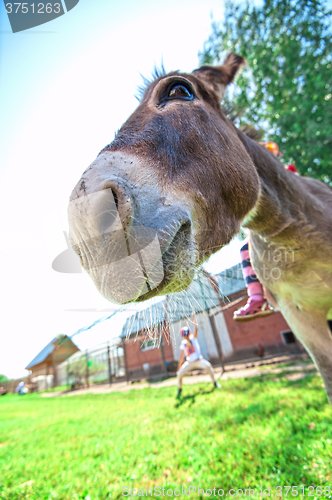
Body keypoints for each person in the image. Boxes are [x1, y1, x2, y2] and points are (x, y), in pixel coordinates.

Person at [233, 141, 298, 322]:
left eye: (271, 151)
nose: (270, 154)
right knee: (246, 249)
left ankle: (257, 299)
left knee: (246, 249)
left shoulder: (285, 171)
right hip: (275, 223)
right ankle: (257, 298)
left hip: (291, 218)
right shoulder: (257, 177)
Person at [176, 314, 220, 398]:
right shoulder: (183, 344)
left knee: (208, 367)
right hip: (189, 362)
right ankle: (180, 389)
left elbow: (196, 328)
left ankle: (215, 382)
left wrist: (193, 319)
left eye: (187, 335)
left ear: (189, 334)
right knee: (179, 374)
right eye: (185, 336)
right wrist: (179, 366)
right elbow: (181, 356)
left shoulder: (193, 338)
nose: (186, 337)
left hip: (198, 360)